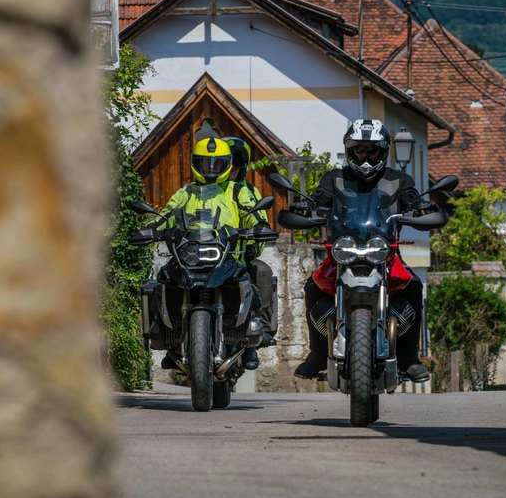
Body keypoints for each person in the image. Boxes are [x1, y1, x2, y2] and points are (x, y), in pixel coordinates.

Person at [291, 119, 435, 382]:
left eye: (372, 150)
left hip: (384, 254)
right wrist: (306, 206)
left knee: (413, 286)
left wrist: (422, 207)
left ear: (383, 151)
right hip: (343, 253)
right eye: (360, 150)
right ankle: (318, 354)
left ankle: (409, 357)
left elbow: (412, 200)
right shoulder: (335, 178)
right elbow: (319, 198)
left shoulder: (398, 180)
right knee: (313, 286)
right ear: (350, 150)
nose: (366, 156)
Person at [156, 135, 268, 371]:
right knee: (163, 279)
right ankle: (169, 337)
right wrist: (152, 227)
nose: (211, 169)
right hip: (190, 254)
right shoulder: (186, 192)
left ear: (227, 164)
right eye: (206, 163)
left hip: (228, 255)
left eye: (217, 164)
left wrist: (259, 228)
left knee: (252, 280)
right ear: (195, 164)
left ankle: (249, 340)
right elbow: (168, 213)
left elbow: (252, 212)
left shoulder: (237, 190)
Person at [222, 137, 278, 362]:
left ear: (243, 166)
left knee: (262, 271)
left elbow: (259, 218)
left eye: (236, 164)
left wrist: (254, 245)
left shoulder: (248, 191)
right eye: (228, 163)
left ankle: (259, 331)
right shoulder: (201, 191)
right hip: (206, 256)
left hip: (239, 257)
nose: (232, 169)